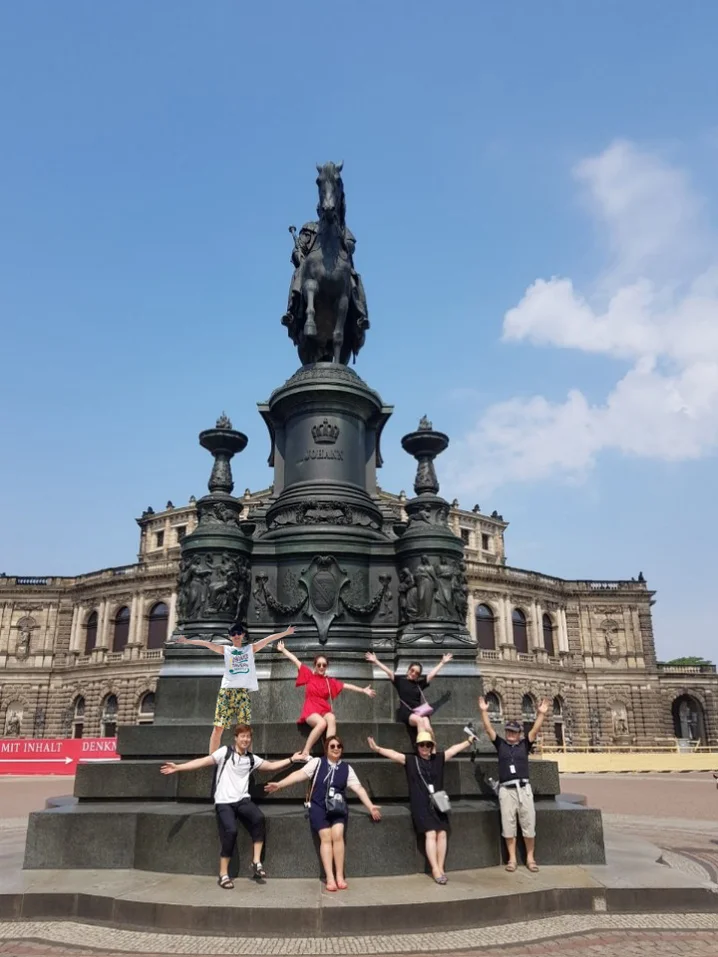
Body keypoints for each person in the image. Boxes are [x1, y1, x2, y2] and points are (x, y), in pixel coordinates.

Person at [160, 723, 307, 889]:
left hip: (242, 800)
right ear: (236, 738)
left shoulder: (251, 759)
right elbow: (203, 762)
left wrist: (292, 759)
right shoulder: (225, 752)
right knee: (231, 831)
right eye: (242, 736)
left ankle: (256, 861)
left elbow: (271, 766)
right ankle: (223, 874)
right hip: (224, 801)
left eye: (248, 737)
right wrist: (178, 767)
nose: (245, 739)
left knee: (258, 818)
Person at [264, 735, 380, 891]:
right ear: (326, 749)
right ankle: (330, 878)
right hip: (318, 806)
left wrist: (370, 806)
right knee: (326, 837)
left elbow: (358, 788)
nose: (336, 749)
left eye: (339, 746)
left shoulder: (346, 768)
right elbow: (298, 775)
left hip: (337, 806)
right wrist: (280, 784)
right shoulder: (317, 763)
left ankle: (340, 876)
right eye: (332, 746)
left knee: (337, 835)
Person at [367, 728, 476, 884]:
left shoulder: (438, 759)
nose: (425, 748)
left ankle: (441, 867)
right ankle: (435, 869)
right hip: (421, 804)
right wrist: (377, 748)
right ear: (417, 746)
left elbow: (453, 750)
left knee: (442, 833)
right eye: (421, 745)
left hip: (438, 803)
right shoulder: (412, 760)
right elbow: (395, 754)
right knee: (430, 833)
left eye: (428, 745)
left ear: (432, 746)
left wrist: (468, 741)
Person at [176, 623, 295, 752]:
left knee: (245, 729)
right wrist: (187, 641)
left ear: (243, 634)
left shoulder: (250, 649)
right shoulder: (226, 649)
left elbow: (268, 639)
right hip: (227, 691)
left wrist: (286, 633)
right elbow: (207, 644)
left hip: (242, 693)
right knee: (218, 727)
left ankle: (247, 759)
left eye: (238, 633)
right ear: (230, 637)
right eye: (233, 633)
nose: (236, 635)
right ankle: (212, 758)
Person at [478, 695, 550, 873]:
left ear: (519, 734)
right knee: (508, 825)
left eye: (514, 732)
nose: (511, 734)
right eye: (509, 731)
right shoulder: (500, 745)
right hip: (506, 790)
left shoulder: (524, 745)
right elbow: (488, 729)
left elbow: (535, 729)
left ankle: (530, 858)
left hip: (524, 789)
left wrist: (541, 714)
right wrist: (484, 711)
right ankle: (512, 859)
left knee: (528, 824)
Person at [277, 642, 376, 759]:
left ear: (326, 667)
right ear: (315, 666)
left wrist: (363, 690)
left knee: (332, 718)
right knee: (322, 723)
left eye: (324, 665)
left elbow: (346, 685)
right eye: (319, 665)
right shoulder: (308, 675)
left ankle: (329, 752)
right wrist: (283, 650)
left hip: (323, 709)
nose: (321, 667)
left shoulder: (329, 681)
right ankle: (305, 752)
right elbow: (296, 660)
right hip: (311, 709)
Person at [364, 651, 453, 736]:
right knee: (420, 721)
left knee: (428, 726)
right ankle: (421, 744)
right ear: (408, 670)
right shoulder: (400, 681)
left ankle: (432, 746)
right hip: (406, 712)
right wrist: (376, 661)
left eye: (417, 673)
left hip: (419, 711)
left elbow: (431, 675)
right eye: (412, 670)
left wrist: (442, 662)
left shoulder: (419, 684)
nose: (413, 673)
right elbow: (389, 672)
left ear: (418, 676)